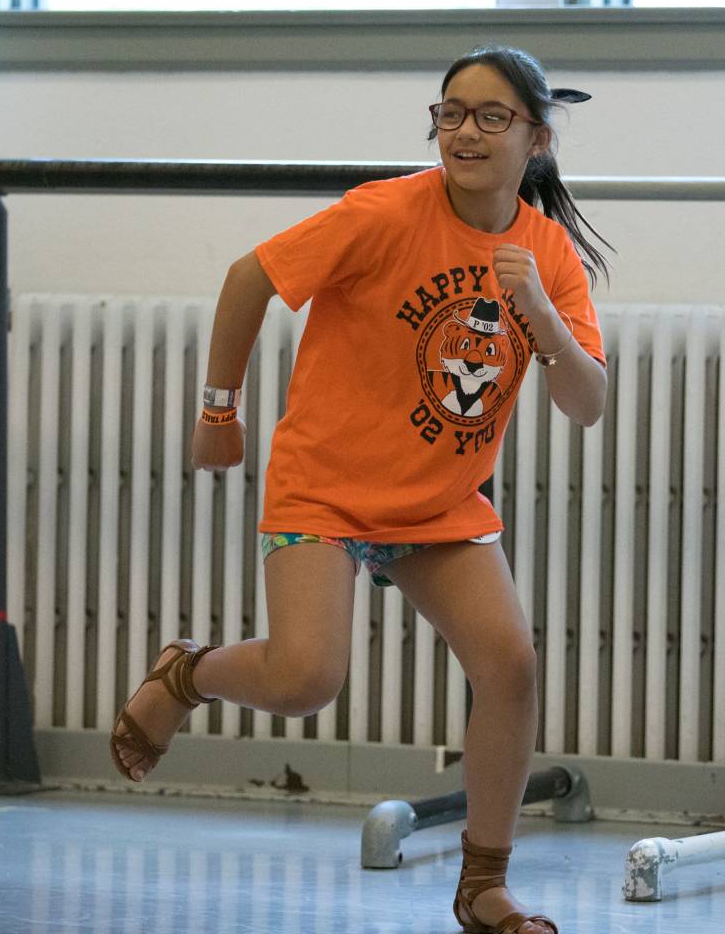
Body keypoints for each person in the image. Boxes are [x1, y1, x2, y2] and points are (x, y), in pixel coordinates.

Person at [109, 46, 609, 934]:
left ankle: (483, 886)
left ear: (536, 138)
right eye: (450, 112)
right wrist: (219, 411)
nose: (464, 131)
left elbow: (587, 403)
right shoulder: (385, 213)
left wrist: (541, 318)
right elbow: (249, 277)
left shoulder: (548, 255)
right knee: (306, 679)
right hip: (328, 489)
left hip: (438, 507)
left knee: (510, 665)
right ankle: (186, 675)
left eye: (492, 116)